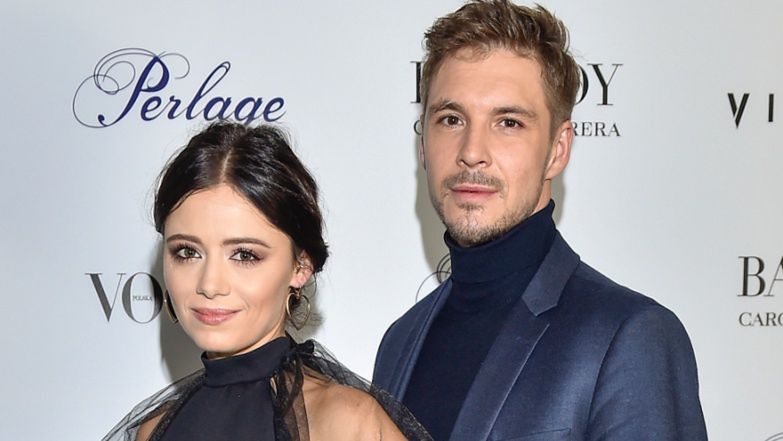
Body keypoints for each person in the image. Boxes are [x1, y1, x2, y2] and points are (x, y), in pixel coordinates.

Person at [373, 1, 708, 440]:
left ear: (557, 149)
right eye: (451, 119)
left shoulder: (628, 336)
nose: (471, 151)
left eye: (508, 123)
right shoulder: (400, 341)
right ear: (423, 142)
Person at [103, 123, 431, 441]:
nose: (210, 284)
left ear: (301, 266)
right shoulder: (155, 430)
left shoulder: (346, 423)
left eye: (244, 255)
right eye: (188, 252)